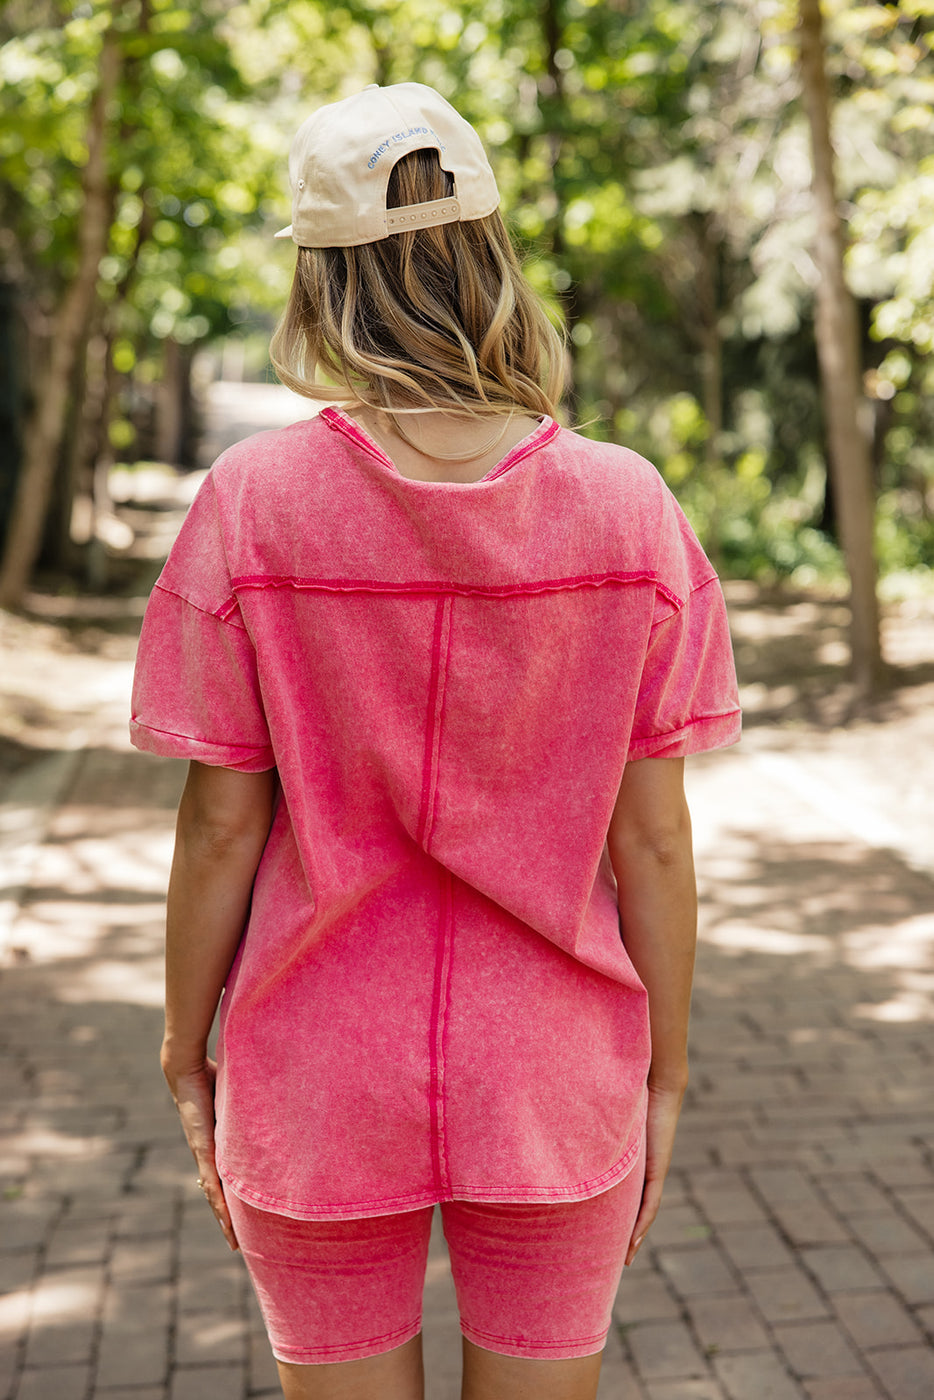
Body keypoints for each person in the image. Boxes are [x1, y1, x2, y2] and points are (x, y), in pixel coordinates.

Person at [130, 82, 741, 1400]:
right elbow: (653, 842)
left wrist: (188, 1048)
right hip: (557, 1072)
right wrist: (670, 1074)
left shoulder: (251, 507)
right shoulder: (627, 510)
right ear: (491, 257)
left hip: (311, 1068)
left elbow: (223, 824)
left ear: (320, 282)